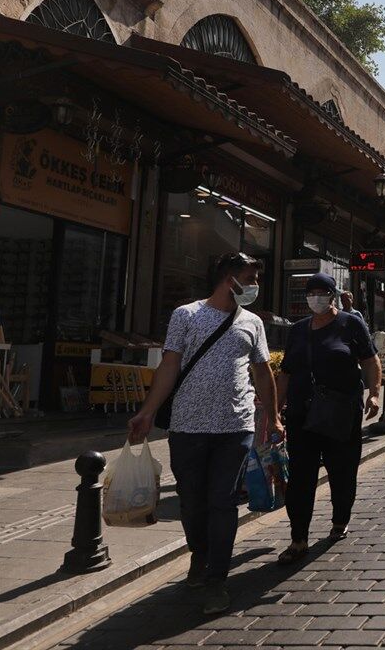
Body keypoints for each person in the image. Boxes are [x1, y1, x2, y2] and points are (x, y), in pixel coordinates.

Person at [127, 252, 280, 615]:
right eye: (250, 277)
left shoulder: (252, 322)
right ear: (229, 277)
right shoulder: (186, 315)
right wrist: (147, 412)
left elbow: (262, 372)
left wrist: (272, 418)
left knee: (222, 500)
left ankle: (217, 578)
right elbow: (169, 365)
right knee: (192, 501)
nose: (255, 285)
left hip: (235, 427)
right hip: (187, 425)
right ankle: (199, 554)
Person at [275, 273, 382, 564]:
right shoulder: (297, 330)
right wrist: (274, 409)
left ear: (333, 295)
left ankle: (340, 518)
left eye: (322, 292)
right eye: (312, 293)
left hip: (340, 413)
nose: (316, 298)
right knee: (300, 478)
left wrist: (374, 394)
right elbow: (286, 372)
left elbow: (370, 361)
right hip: (302, 414)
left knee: (342, 471)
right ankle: (298, 538)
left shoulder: (350, 324)